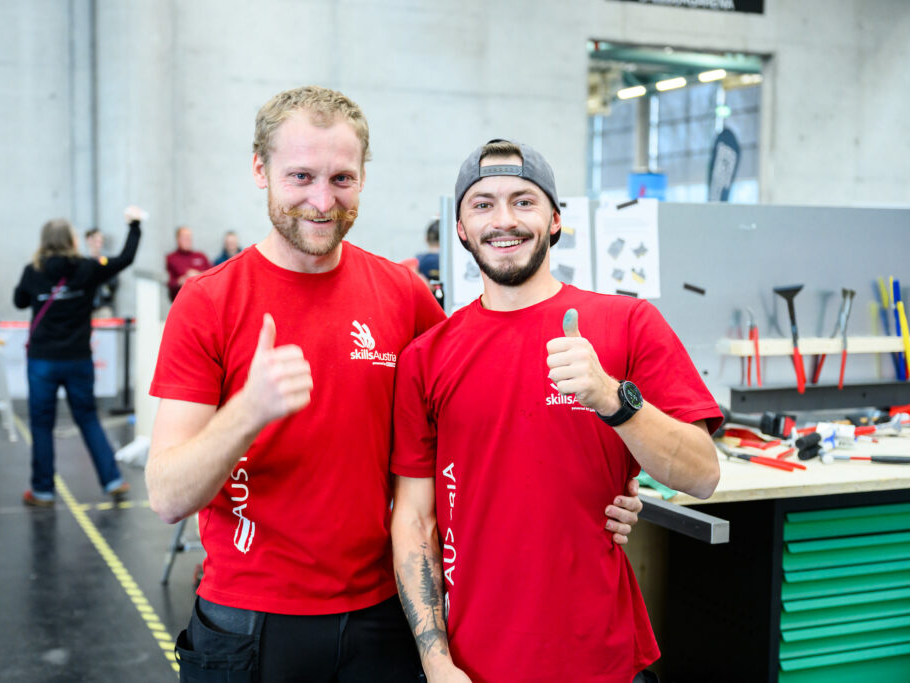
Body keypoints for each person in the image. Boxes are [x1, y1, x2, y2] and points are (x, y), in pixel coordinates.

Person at [144, 88, 641, 682]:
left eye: (342, 178)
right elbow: (168, 496)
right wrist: (246, 412)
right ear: (260, 170)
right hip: (251, 620)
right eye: (300, 176)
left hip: (381, 615)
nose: (322, 201)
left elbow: (483, 411)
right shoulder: (208, 302)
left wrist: (596, 495)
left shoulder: (400, 294)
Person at [390, 139, 723, 683]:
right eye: (482, 204)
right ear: (459, 228)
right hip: (475, 664)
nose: (504, 220)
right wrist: (435, 661)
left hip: (601, 658)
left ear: (554, 220)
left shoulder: (628, 323)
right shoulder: (427, 357)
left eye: (524, 201)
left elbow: (702, 474)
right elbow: (414, 518)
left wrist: (614, 401)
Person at [13, 208, 143, 507]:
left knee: (42, 424)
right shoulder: (86, 268)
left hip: (42, 360)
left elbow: (19, 301)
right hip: (78, 359)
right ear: (71, 240)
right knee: (87, 419)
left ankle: (43, 491)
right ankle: (112, 479)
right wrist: (134, 226)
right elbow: (125, 259)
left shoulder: (33, 271)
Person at [165, 225, 211, 302]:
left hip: (201, 300)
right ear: (178, 239)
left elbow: (212, 274)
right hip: (181, 301)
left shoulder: (201, 256)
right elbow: (169, 282)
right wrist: (184, 279)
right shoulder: (171, 258)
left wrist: (198, 275)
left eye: (189, 237)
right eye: (185, 238)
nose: (188, 240)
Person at [83, 227, 119, 318]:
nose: (98, 244)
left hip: (104, 306)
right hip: (86, 307)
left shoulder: (106, 262)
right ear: (89, 240)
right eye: (96, 240)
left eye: (101, 241)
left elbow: (113, 282)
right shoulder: (83, 263)